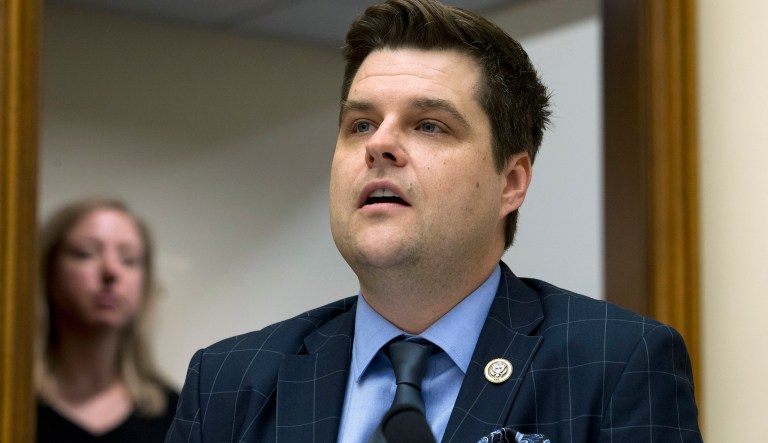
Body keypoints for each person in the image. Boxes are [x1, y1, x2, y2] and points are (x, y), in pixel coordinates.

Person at [166, 0, 702, 442]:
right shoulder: (230, 381)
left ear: (511, 183)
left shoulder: (615, 364)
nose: (379, 145)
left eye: (428, 125)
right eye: (360, 124)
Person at [35, 198, 178, 442]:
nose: (111, 271)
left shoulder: (177, 416)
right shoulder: (11, 406)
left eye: (129, 259)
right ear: (48, 270)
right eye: (85, 253)